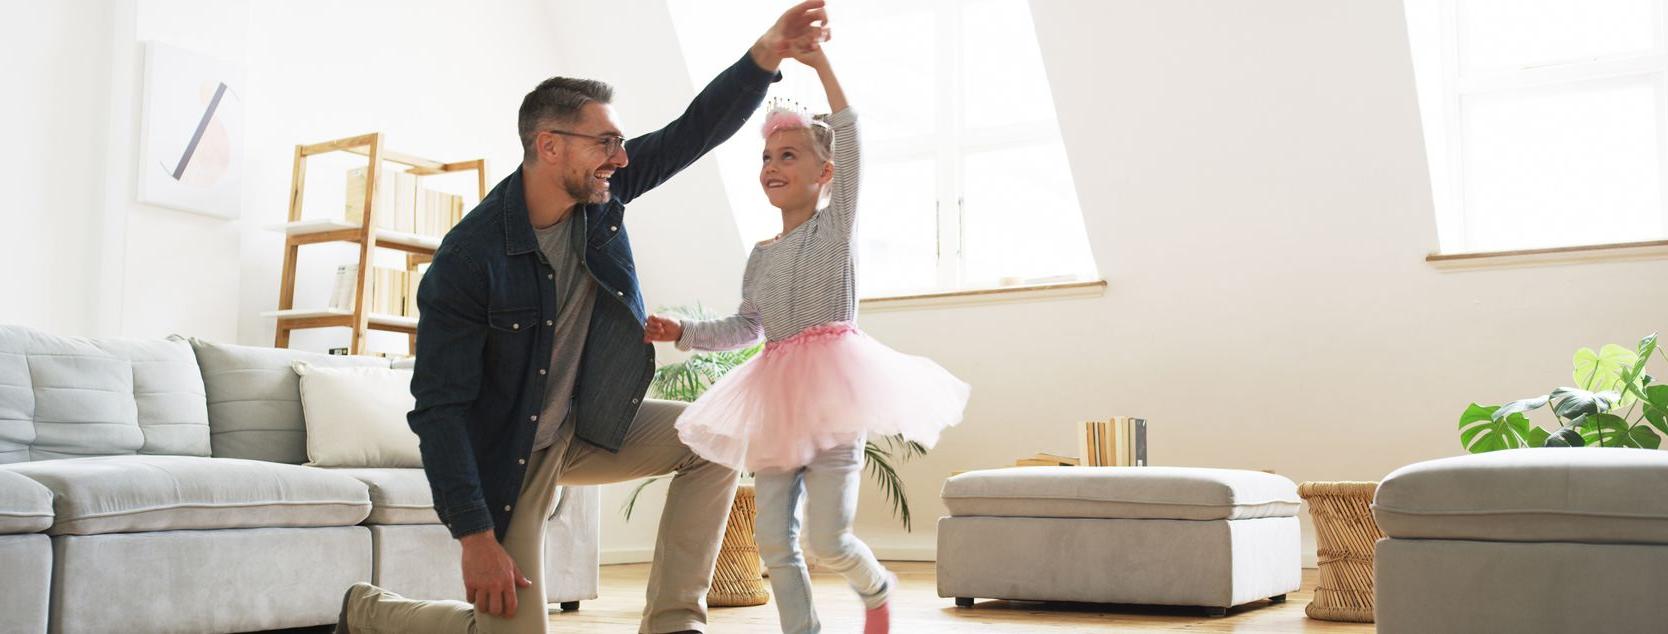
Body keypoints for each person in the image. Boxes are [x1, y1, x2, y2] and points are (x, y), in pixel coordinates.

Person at [333, 3, 831, 633]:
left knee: (713, 440)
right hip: (512, 454)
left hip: (586, 424)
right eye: (607, 142)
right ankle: (374, 612)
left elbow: (692, 131)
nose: (621, 158)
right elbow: (440, 409)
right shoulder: (469, 261)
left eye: (620, 143)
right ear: (549, 145)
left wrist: (766, 55)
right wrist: (475, 538)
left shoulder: (601, 196)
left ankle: (676, 624)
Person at [642, 43, 970, 634]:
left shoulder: (835, 228)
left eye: (788, 154)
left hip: (832, 398)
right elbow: (747, 327)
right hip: (774, 405)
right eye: (766, 155)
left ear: (824, 173)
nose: (771, 165)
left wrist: (821, 67)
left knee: (830, 536)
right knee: (774, 542)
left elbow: (853, 138)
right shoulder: (760, 256)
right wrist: (684, 332)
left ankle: (875, 586)